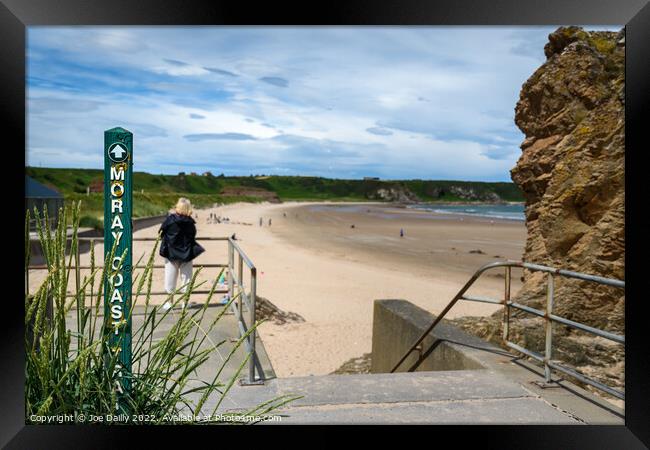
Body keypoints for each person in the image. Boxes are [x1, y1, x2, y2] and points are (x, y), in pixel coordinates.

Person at [159, 198, 205, 310]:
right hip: (187, 253)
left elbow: (161, 232)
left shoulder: (170, 220)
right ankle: (185, 303)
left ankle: (170, 303)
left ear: (177, 207)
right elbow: (192, 236)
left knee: (170, 277)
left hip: (171, 253)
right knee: (186, 278)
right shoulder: (190, 223)